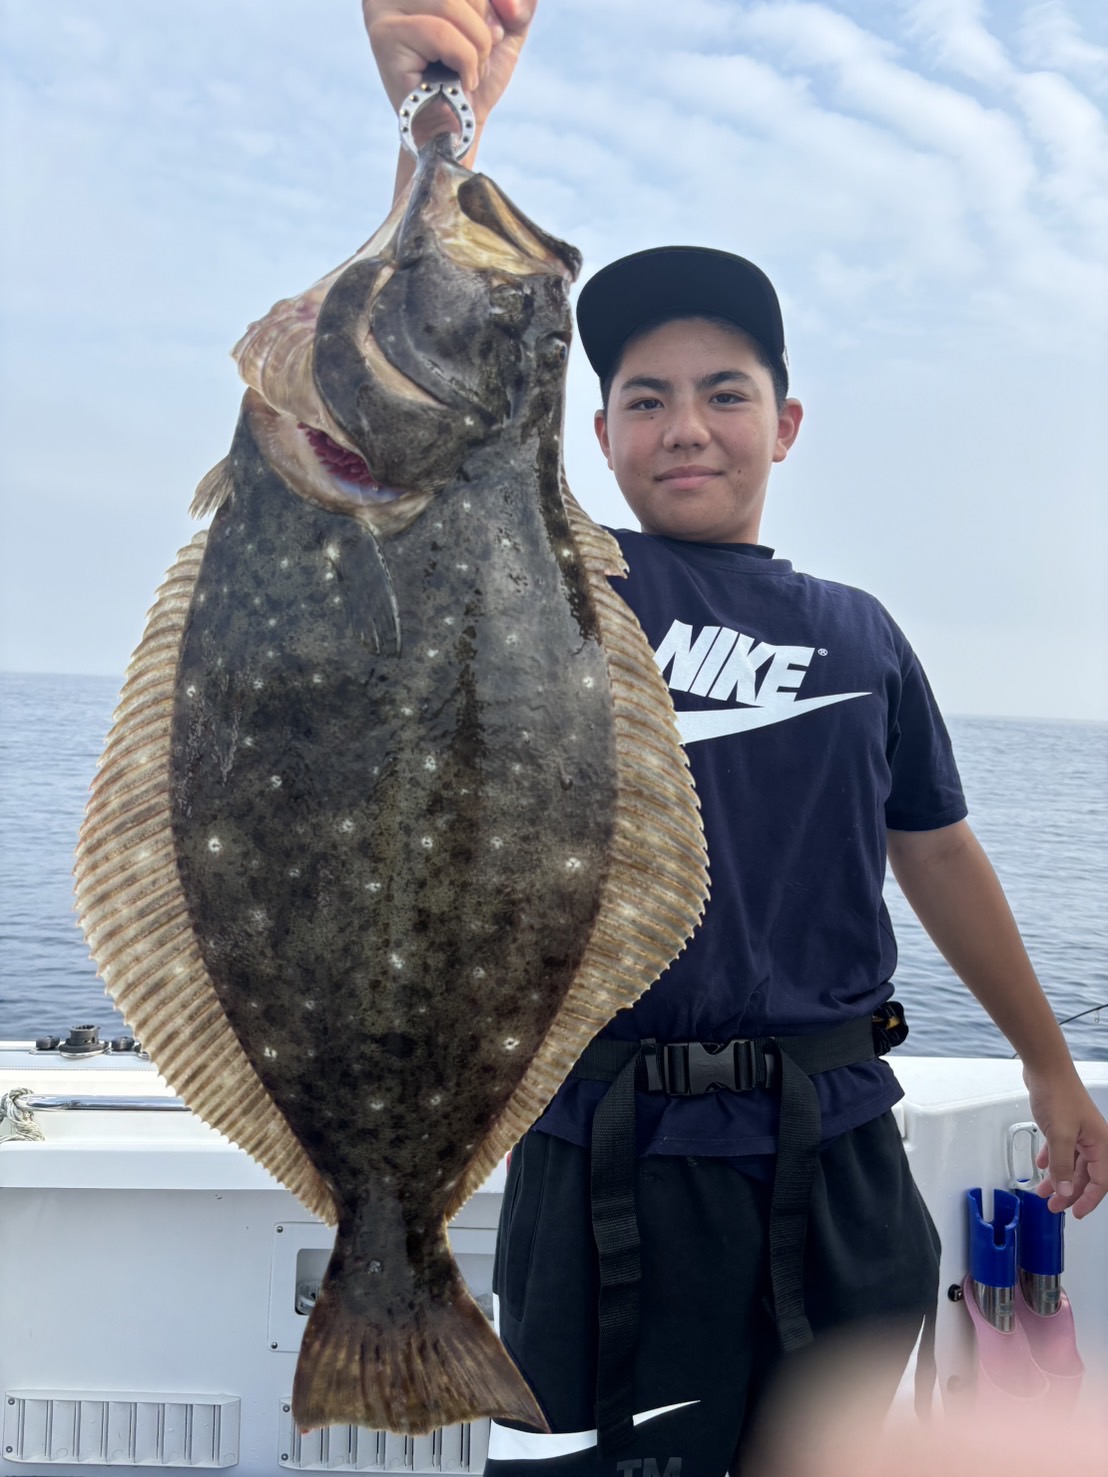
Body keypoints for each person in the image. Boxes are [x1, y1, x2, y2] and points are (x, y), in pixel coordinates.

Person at [362, 5, 1108, 1471]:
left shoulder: (861, 633)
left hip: (838, 1152)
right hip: (605, 1156)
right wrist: (437, 137)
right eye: (644, 399)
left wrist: (1048, 1061)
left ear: (788, 422)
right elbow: (406, 413)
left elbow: (938, 851)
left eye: (725, 394)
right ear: (599, 438)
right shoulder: (549, 585)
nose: (686, 426)